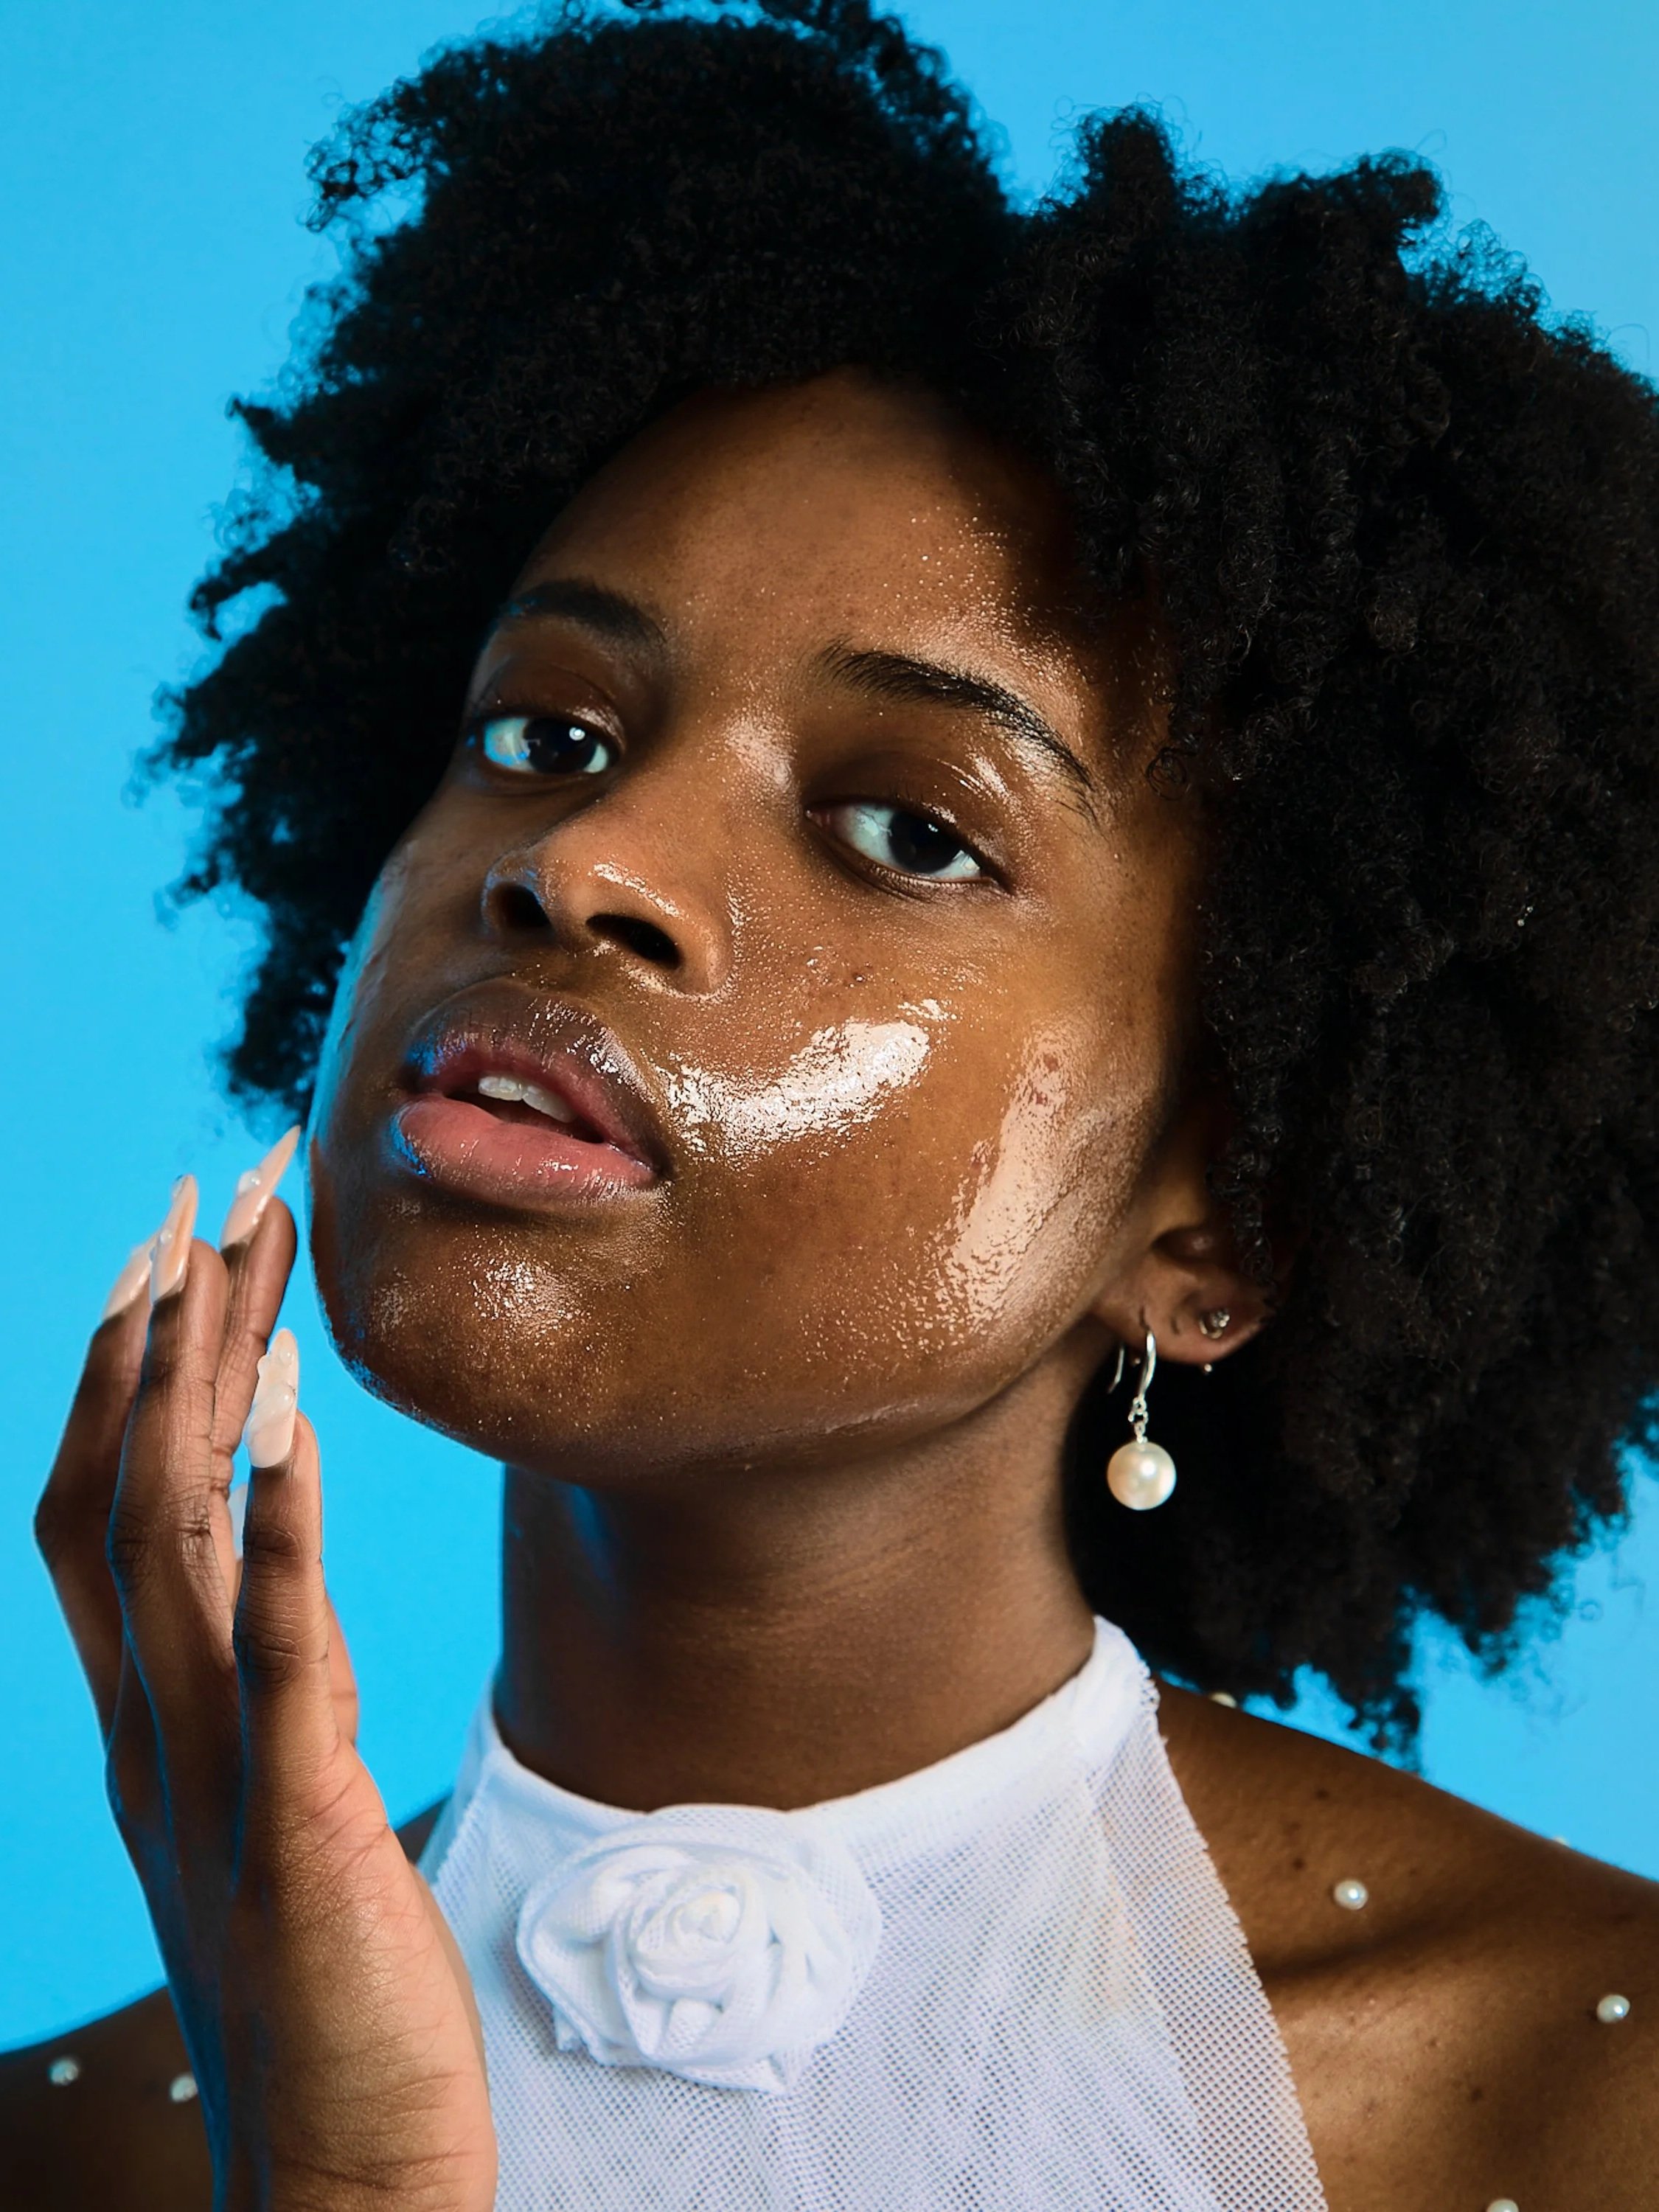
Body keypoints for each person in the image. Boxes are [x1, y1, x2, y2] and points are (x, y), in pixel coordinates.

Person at [5, 1, 1659, 2205]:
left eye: (906, 831)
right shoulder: (68, 2150)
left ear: (1225, 1223)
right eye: (547, 733)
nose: (580, 862)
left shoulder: (1584, 2097)